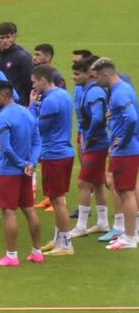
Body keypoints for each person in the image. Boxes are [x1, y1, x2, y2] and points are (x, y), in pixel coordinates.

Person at [0, 81, 44, 266]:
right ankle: (37, 252)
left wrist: (21, 164)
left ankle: (11, 256)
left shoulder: (2, 117)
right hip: (26, 171)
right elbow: (37, 141)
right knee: (29, 209)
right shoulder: (27, 113)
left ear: (4, 95)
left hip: (9, 171)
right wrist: (31, 163)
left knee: (9, 211)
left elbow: (6, 147)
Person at [29, 65, 75, 256]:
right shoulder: (63, 95)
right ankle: (58, 239)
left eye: (34, 82)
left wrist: (32, 106)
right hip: (64, 151)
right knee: (58, 198)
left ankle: (66, 244)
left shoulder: (50, 101)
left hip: (54, 154)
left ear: (42, 80)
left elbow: (36, 127)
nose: (33, 86)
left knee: (57, 200)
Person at [93, 58, 139, 250]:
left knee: (126, 193)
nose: (96, 82)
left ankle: (130, 237)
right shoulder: (124, 89)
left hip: (125, 150)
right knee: (124, 190)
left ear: (105, 75)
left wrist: (124, 139)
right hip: (127, 148)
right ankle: (130, 233)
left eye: (97, 78)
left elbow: (132, 118)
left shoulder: (119, 93)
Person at [69, 57, 111, 238]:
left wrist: (90, 136)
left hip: (97, 143)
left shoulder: (94, 93)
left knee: (83, 183)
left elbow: (98, 117)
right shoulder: (87, 90)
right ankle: (103, 222)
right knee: (98, 182)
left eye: (77, 74)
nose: (74, 78)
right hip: (97, 142)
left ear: (89, 74)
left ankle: (81, 225)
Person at [0, 22, 34, 106]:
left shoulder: (22, 57)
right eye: (1, 38)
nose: (5, 41)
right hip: (2, 103)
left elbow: (29, 83)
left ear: (13, 38)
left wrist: (28, 104)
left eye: (8, 37)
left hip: (19, 103)